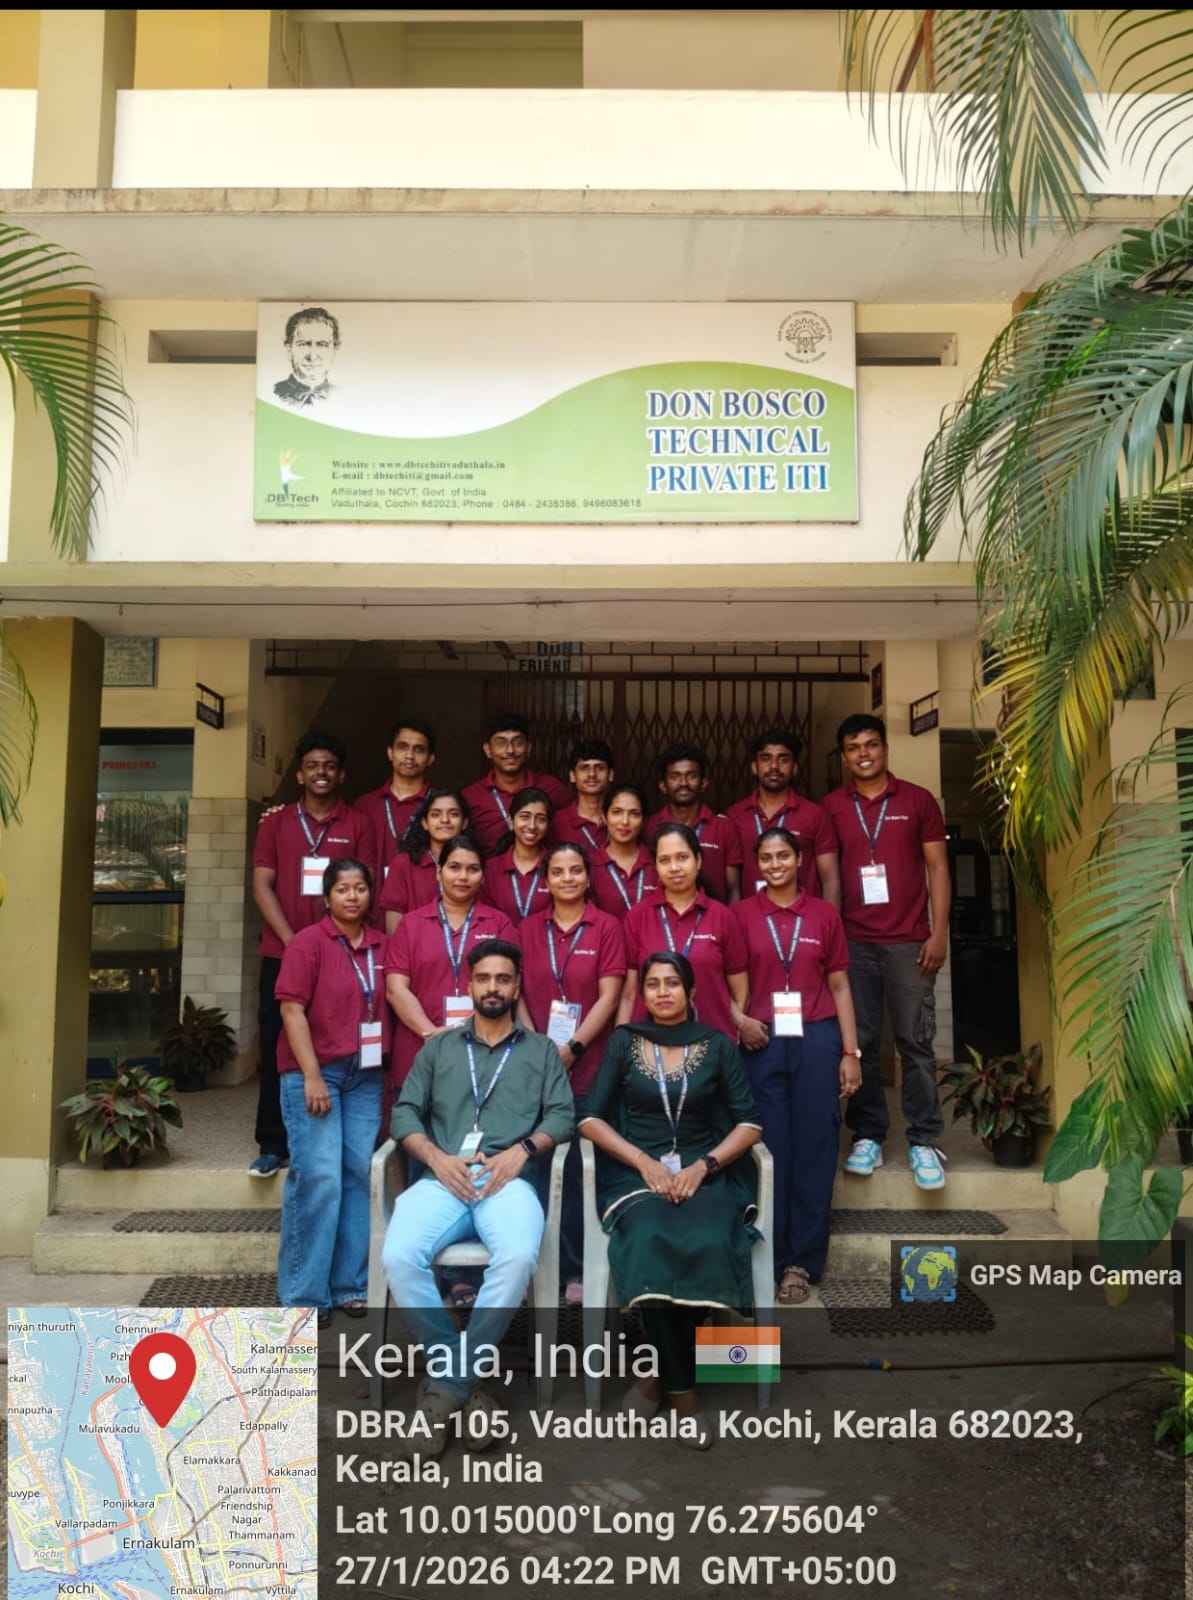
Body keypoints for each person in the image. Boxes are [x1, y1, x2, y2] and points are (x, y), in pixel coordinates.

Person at [381, 940, 574, 1452]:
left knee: (517, 1257)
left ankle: (445, 1387)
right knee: (398, 1256)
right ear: (469, 985)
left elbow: (562, 1114)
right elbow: (404, 1113)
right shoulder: (439, 1047)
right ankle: (468, 1377)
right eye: (484, 978)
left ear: (517, 986)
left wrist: (522, 1151)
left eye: (503, 979)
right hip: (444, 1179)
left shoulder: (540, 1051)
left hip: (507, 1182)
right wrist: (435, 1157)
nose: (493, 987)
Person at [579, 952, 762, 1446]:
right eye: (654, 984)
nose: (662, 992)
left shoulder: (717, 1045)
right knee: (652, 1239)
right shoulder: (624, 1041)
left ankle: (657, 1377)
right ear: (644, 994)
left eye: (673, 984)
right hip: (637, 1176)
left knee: (709, 1238)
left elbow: (749, 1123)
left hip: (704, 1176)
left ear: (691, 992)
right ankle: (684, 1396)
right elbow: (591, 1119)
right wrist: (643, 1162)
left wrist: (704, 1167)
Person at [821, 715, 951, 1190]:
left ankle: (924, 1139)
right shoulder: (832, 807)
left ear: (885, 749)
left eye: (871, 744)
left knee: (916, 1042)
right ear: (844, 757)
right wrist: (832, 939)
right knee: (861, 1044)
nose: (864, 753)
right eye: (854, 747)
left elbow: (938, 869)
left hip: (909, 942)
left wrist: (939, 933)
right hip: (854, 943)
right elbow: (828, 876)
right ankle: (868, 1134)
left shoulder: (917, 800)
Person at [732, 828, 861, 1303]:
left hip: (817, 1038)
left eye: (783, 855)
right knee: (767, 1148)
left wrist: (851, 1052)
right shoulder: (741, 915)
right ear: (757, 864)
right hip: (761, 1041)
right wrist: (740, 1021)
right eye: (766, 857)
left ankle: (800, 1262)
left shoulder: (824, 914)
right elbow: (725, 983)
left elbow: (840, 986)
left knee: (815, 1147)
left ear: (800, 859)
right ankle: (765, 1254)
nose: (775, 864)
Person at [250, 733, 374, 1179]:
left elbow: (364, 886)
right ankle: (272, 1143)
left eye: (329, 766)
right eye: (312, 766)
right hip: (282, 952)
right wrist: (294, 943)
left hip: (342, 955)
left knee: (339, 1040)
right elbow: (262, 885)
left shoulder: (358, 823)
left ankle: (336, 1133)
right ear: (300, 774)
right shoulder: (276, 823)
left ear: (341, 774)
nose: (321, 773)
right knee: (277, 1043)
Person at [274, 859, 389, 1327]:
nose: (352, 896)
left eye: (360, 888)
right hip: (316, 1074)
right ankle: (305, 1294)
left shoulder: (382, 944)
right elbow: (291, 1010)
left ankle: (350, 1285)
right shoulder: (309, 942)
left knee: (358, 1175)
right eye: (343, 889)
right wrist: (312, 1075)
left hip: (366, 1076)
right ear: (326, 898)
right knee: (319, 1178)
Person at [517, 842, 628, 1299]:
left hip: (590, 1069)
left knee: (584, 1173)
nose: (567, 878)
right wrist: (540, 1049)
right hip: (535, 1070)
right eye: (558, 872)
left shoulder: (607, 926)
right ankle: (538, 1268)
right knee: (536, 1170)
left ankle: (580, 1268)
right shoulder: (528, 927)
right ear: (545, 880)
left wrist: (573, 1047)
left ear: (587, 877)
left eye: (576, 870)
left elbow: (610, 996)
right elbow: (515, 992)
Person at [384, 833, 515, 1093]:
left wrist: (461, 1032)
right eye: (454, 867)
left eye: (473, 869)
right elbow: (395, 989)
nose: (463, 876)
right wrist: (433, 1035)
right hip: (419, 1053)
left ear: (483, 877)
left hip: (483, 1054)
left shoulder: (500, 924)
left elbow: (507, 988)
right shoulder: (411, 924)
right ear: (438, 872)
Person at [617, 822, 749, 1045]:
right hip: (650, 1045)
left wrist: (734, 1033)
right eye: (664, 860)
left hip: (710, 1043)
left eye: (682, 857)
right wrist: (619, 1044)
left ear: (698, 860)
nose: (674, 867)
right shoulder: (637, 916)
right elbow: (630, 993)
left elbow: (740, 992)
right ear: (656, 867)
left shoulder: (722, 916)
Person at [725, 728, 841, 906]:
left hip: (804, 919)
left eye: (783, 759)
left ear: (794, 768)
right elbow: (732, 885)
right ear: (754, 767)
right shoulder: (735, 816)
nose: (774, 766)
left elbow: (830, 881)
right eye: (766, 758)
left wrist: (830, 921)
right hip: (750, 918)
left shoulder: (815, 815)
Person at [461, 712, 570, 856]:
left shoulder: (553, 789)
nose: (510, 750)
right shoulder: (471, 796)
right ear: (488, 750)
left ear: (528, 748)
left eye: (517, 742)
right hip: (488, 870)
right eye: (501, 743)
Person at [648, 742, 743, 903]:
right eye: (674, 777)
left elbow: (733, 888)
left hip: (714, 917)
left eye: (691, 776)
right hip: (663, 917)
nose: (683, 783)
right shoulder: (650, 827)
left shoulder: (724, 828)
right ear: (663, 785)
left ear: (704, 783)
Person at [376, 788, 470, 935]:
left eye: (453, 814)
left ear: (464, 823)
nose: (445, 820)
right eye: (436, 814)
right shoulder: (403, 863)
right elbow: (394, 929)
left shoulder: (475, 864)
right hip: (415, 945)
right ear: (425, 823)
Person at [353, 719, 437, 881]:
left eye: (419, 749)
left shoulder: (440, 805)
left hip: (425, 895)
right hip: (374, 895)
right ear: (390, 753)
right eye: (402, 747)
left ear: (430, 758)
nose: (410, 756)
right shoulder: (365, 804)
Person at [480, 787, 554, 926]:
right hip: (500, 939)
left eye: (541, 819)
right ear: (510, 821)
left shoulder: (557, 866)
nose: (532, 826)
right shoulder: (491, 869)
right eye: (525, 817)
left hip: (547, 939)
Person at [588, 783, 660, 920]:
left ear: (644, 820)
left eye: (634, 814)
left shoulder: (658, 862)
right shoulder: (590, 865)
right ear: (604, 816)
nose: (625, 821)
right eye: (617, 812)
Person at [552, 739, 615, 853]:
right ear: (572, 776)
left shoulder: (623, 819)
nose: (592, 774)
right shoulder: (557, 822)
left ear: (610, 774)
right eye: (584, 768)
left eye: (599, 768)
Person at [273, 306, 340, 407]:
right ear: (289, 350)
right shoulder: (272, 393)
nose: (312, 357)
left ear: (334, 351)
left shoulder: (344, 397)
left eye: (322, 345)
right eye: (303, 344)